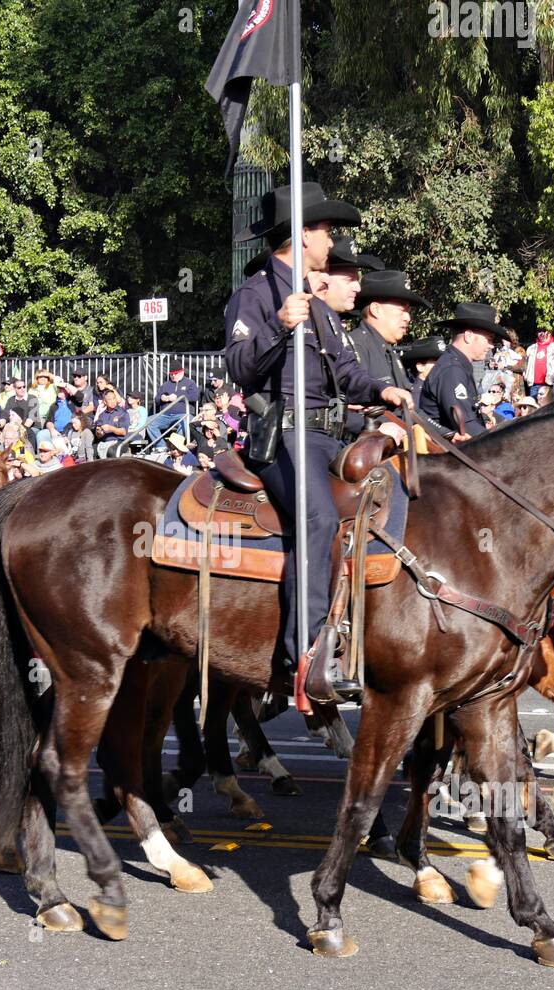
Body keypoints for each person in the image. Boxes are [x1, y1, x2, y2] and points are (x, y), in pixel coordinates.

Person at [227, 181, 411, 701]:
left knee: (390, 504)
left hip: (330, 438)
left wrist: (384, 389)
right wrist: (279, 328)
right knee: (318, 518)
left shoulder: (319, 304)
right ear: (301, 234)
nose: (332, 242)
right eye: (325, 231)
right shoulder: (257, 295)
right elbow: (240, 367)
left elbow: (348, 373)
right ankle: (303, 654)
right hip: (285, 435)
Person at [418, 302, 514, 441]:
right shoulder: (452, 370)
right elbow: (466, 427)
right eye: (488, 339)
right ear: (468, 336)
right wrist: (502, 443)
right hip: (447, 454)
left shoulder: (457, 365)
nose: (491, 345)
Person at [349, 268, 431, 386]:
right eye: (402, 310)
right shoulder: (355, 348)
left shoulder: (387, 351)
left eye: (408, 311)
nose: (407, 318)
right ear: (376, 310)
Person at [524, 325, 554, 402]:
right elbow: (526, 366)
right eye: (539, 331)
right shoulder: (531, 348)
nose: (541, 333)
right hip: (534, 385)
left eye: (544, 330)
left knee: (551, 409)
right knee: (535, 410)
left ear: (550, 332)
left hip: (551, 384)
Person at [93, 387, 130, 458]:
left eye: (114, 398)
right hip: (104, 441)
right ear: (104, 402)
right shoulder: (102, 415)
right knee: (91, 450)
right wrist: (99, 432)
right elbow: (98, 435)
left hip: (120, 441)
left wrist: (111, 428)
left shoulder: (123, 413)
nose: (113, 401)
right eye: (110, 399)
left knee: (111, 451)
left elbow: (123, 432)